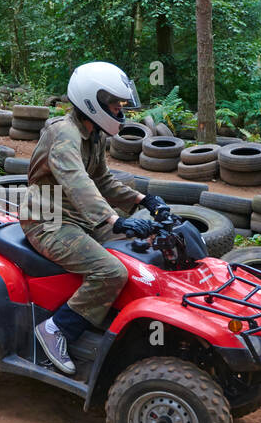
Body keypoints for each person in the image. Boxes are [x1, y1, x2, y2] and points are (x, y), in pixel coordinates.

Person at [19, 61, 170, 374]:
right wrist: (114, 221)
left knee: (142, 251)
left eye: (120, 105)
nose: (119, 112)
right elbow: (78, 182)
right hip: (49, 223)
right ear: (93, 102)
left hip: (80, 219)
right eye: (114, 105)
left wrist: (145, 200)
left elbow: (102, 180)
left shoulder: (95, 135)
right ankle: (56, 329)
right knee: (111, 271)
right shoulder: (64, 134)